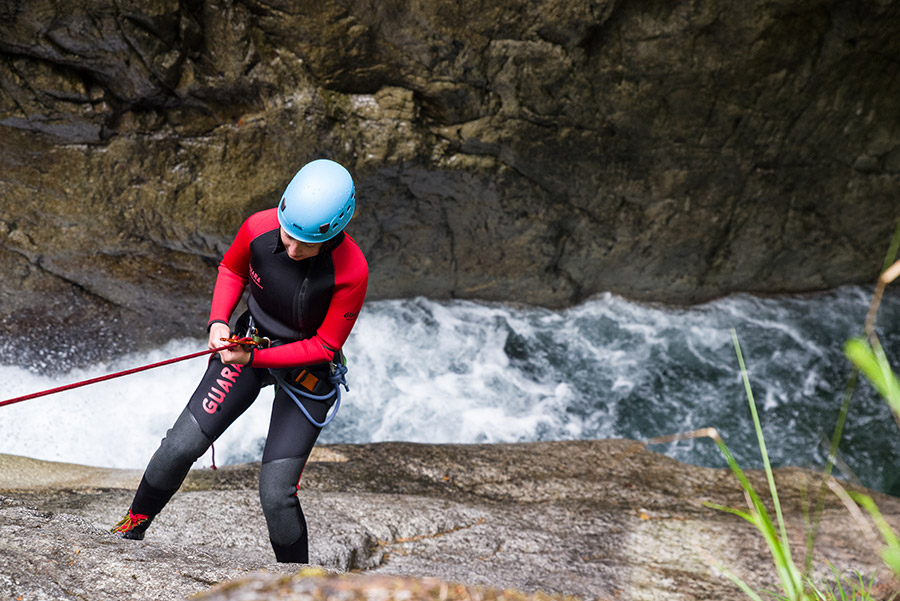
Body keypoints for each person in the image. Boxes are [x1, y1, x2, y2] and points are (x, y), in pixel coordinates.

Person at [111, 158, 369, 563]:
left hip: (306, 373)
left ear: (335, 231)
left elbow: (323, 346)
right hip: (247, 343)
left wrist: (255, 357)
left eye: (305, 242)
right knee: (177, 448)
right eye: (288, 235)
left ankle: (297, 586)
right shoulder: (259, 227)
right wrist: (218, 322)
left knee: (276, 493)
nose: (292, 248)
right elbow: (232, 270)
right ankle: (130, 529)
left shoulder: (351, 271)